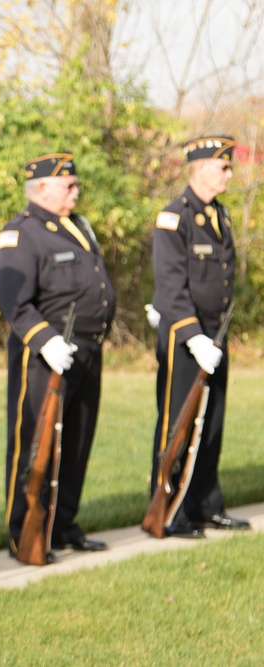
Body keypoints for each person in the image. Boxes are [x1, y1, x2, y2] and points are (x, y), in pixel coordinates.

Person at [0, 152, 116, 561]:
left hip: (85, 348)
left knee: (77, 440)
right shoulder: (21, 233)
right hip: (47, 352)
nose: (76, 191)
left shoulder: (76, 226)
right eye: (69, 185)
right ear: (41, 188)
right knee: (35, 442)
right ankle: (24, 532)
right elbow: (15, 301)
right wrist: (45, 340)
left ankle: (62, 524)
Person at [149, 136, 249, 536]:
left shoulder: (219, 215)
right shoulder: (174, 217)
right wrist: (193, 336)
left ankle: (206, 505)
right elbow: (171, 287)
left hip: (216, 332)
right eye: (223, 166)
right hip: (186, 335)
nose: (229, 172)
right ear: (202, 167)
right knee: (178, 423)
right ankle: (168, 511)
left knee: (212, 421)